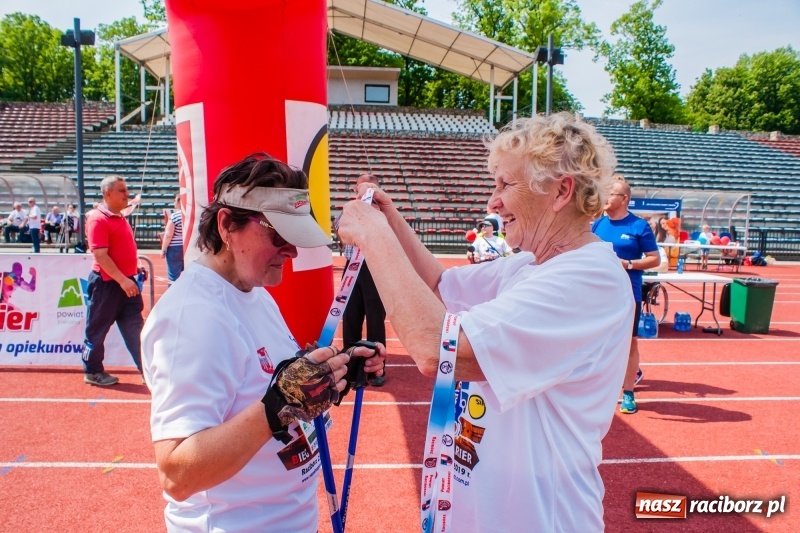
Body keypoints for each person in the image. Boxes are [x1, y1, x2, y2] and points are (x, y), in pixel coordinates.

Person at [337, 112, 632, 531]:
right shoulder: (531, 264)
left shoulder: (589, 278)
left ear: (561, 191)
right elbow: (439, 286)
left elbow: (439, 351)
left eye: (504, 185)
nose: (492, 202)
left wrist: (374, 236)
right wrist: (390, 220)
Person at [141, 153, 385, 532]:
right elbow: (177, 473)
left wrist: (335, 375)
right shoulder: (192, 317)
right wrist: (276, 407)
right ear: (227, 224)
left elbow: (270, 384)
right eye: (278, 235)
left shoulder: (249, 290)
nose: (291, 251)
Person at [591, 177, 660, 414]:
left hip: (628, 294)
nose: (606, 197)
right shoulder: (598, 224)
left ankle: (628, 392)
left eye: (611, 193)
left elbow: (655, 258)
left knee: (629, 343)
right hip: (598, 294)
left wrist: (628, 264)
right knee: (596, 341)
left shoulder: (639, 226)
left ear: (624, 199)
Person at [82, 176, 145, 387]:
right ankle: (93, 371)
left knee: (137, 330)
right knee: (97, 330)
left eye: (126, 190)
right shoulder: (98, 219)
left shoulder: (118, 217)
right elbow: (101, 255)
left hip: (125, 282)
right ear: (107, 193)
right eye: (122, 190)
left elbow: (119, 251)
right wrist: (123, 280)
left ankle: (149, 372)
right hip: (107, 285)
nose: (127, 194)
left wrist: (132, 270)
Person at [340, 173, 388, 387]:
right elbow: (340, 230)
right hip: (351, 267)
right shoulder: (348, 210)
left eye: (369, 187)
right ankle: (349, 368)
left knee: (375, 319)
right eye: (360, 187)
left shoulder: (384, 212)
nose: (363, 191)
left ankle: (377, 369)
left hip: (375, 268)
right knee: (350, 317)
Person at [160, 194, 185, 283]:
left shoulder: (175, 216)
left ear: (179, 202)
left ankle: (174, 295)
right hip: (186, 246)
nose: (174, 203)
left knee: (173, 276)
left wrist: (163, 249)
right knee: (185, 274)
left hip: (174, 247)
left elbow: (168, 235)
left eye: (175, 201)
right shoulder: (189, 215)